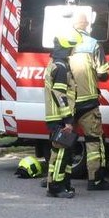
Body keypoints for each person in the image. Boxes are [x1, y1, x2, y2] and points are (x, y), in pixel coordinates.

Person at [67, 23, 109, 191]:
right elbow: (103, 74)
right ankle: (95, 180)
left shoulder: (65, 43)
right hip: (88, 103)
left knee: (63, 141)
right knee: (94, 141)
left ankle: (58, 179)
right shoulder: (94, 44)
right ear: (87, 25)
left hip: (69, 103)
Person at [42, 32, 78, 198]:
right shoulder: (61, 68)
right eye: (71, 47)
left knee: (59, 153)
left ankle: (61, 183)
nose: (73, 50)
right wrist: (68, 120)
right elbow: (60, 94)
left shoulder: (54, 64)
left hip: (54, 116)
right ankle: (56, 187)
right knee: (62, 153)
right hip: (60, 118)